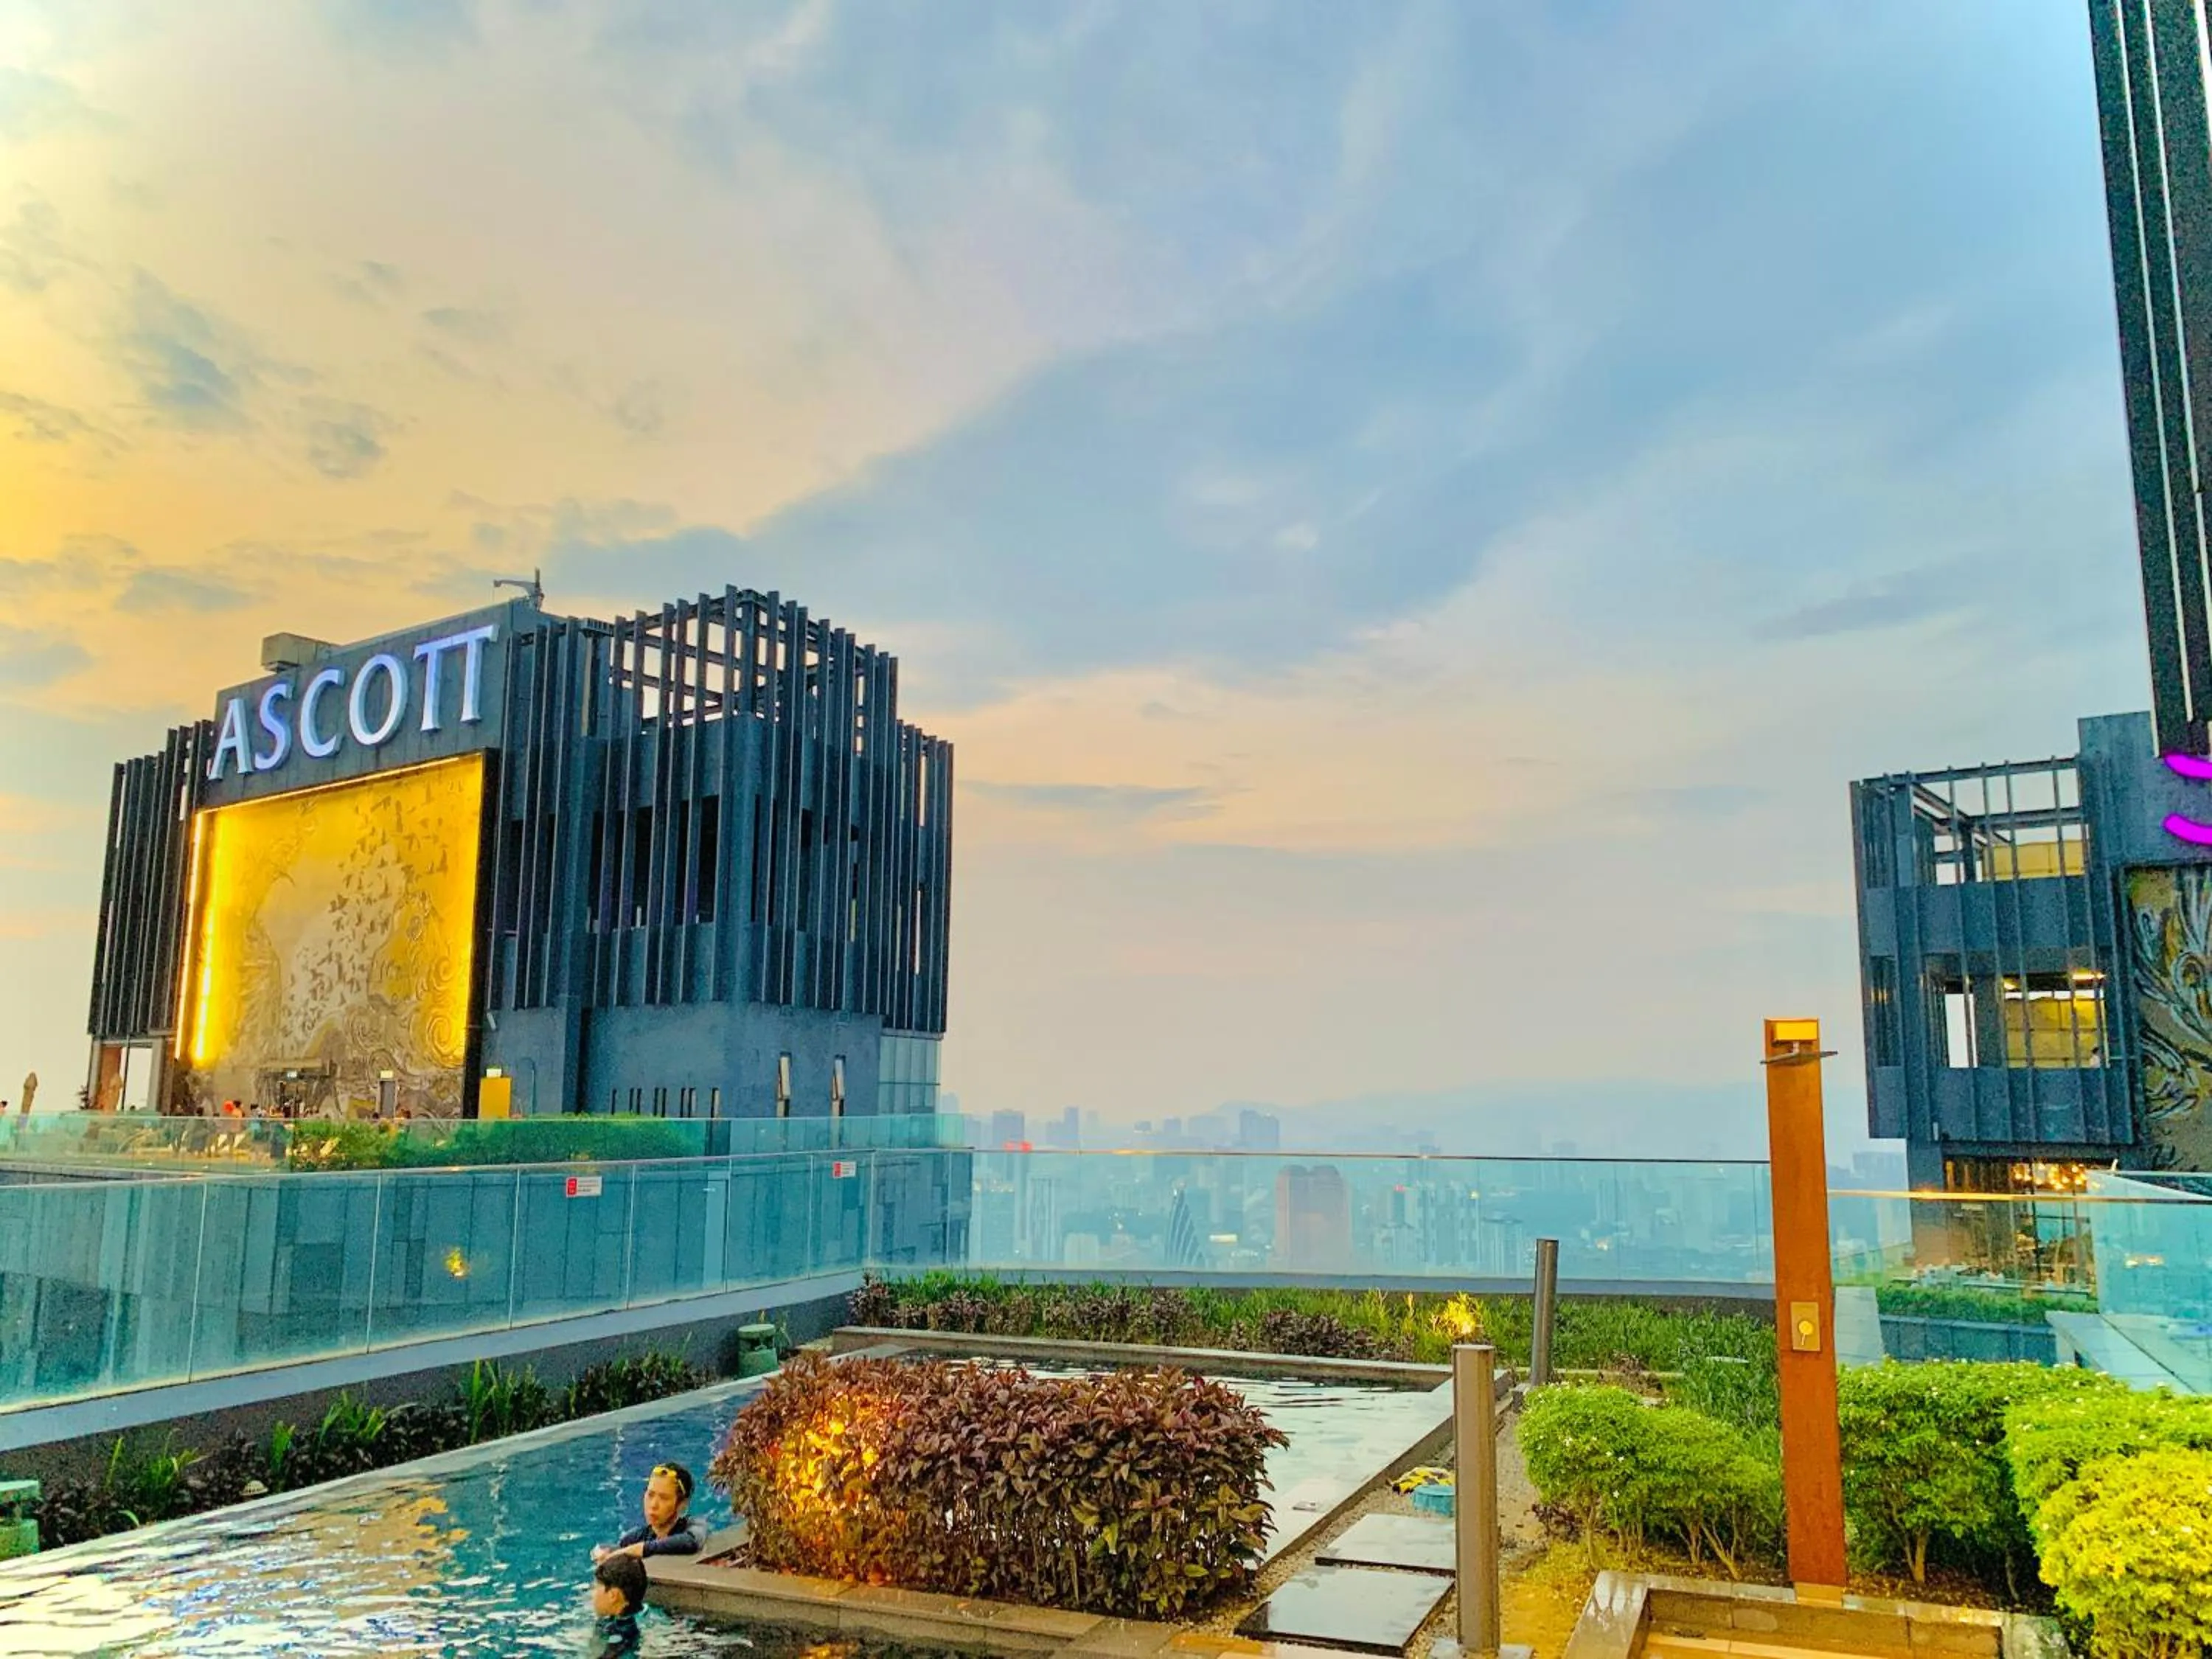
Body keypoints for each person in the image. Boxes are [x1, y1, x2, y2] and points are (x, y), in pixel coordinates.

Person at [593, 1461, 707, 1562]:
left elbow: (691, 1542)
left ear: (682, 1504)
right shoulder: (633, 1539)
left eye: (664, 1498)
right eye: (650, 1495)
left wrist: (641, 1550)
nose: (653, 1505)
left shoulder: (695, 1526)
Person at [589, 1551, 648, 1658]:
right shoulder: (642, 1612)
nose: (592, 1594)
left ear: (613, 1595)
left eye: (596, 1587)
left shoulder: (622, 1635)